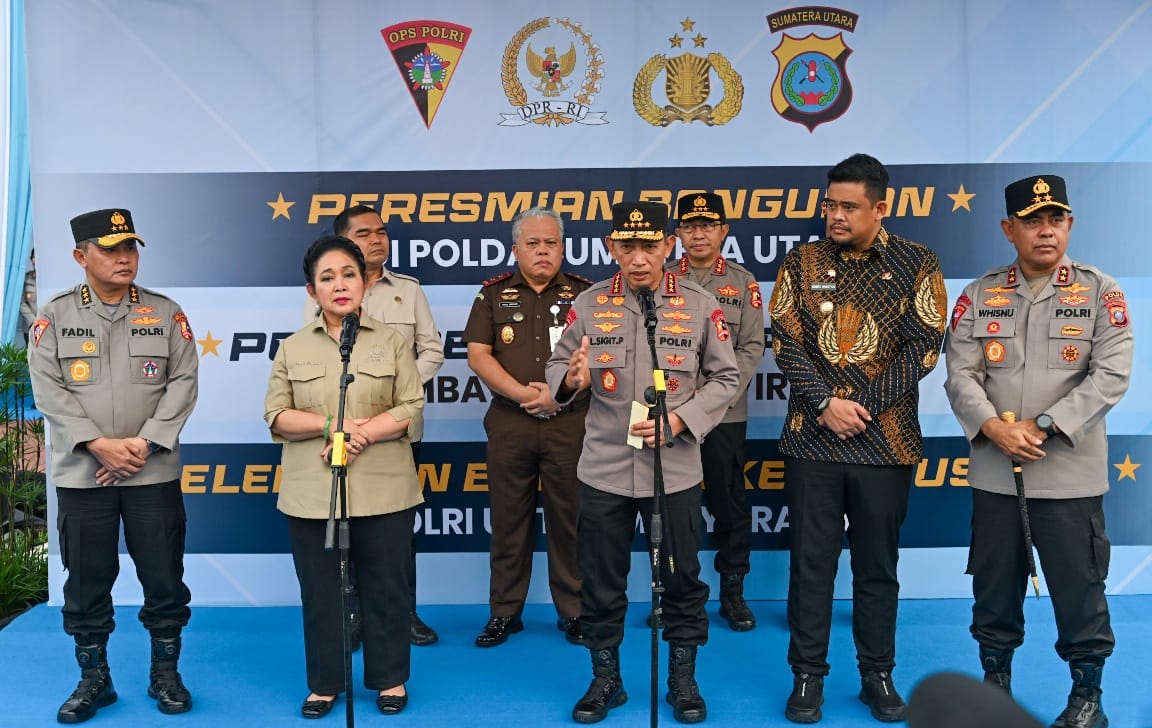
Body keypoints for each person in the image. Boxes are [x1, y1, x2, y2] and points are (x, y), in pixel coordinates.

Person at [944, 175, 1131, 728]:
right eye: (1032, 221)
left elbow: (1111, 375)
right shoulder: (980, 294)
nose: (1045, 231)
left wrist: (1045, 425)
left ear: (1069, 224)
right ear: (1009, 229)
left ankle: (1087, 699)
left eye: (1055, 220)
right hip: (996, 473)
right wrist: (992, 427)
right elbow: (960, 375)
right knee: (993, 592)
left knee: (1080, 592)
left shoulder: (1100, 292)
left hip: (1069, 475)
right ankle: (995, 689)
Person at [769, 154, 947, 724]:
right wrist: (826, 403)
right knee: (811, 566)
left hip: (885, 443)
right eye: (830, 205)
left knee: (877, 568)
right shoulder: (801, 262)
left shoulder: (917, 262)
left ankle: (877, 674)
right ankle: (807, 676)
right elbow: (784, 340)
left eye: (848, 206)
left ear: (880, 208)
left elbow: (924, 344)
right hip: (812, 442)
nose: (835, 216)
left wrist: (859, 407)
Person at [547, 201, 739, 724]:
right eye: (626, 247)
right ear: (611, 247)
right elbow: (559, 364)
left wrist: (679, 420)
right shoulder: (588, 303)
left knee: (682, 579)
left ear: (667, 246)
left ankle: (682, 679)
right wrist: (569, 381)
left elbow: (726, 377)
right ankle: (605, 679)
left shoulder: (700, 305)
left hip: (673, 470)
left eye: (649, 247)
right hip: (604, 469)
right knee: (600, 580)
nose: (638, 258)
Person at [28, 208, 198, 722]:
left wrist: (142, 445)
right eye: (110, 249)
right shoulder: (55, 316)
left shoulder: (166, 312)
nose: (124, 258)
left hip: (152, 471)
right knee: (86, 581)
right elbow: (48, 390)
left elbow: (183, 382)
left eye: (129, 247)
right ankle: (94, 679)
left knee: (164, 577)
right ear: (81, 256)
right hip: (84, 475)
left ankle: (165, 673)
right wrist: (98, 444)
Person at [267, 236, 424, 717]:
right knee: (321, 594)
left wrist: (362, 433)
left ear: (365, 283)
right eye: (327, 278)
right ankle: (325, 683)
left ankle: (390, 678)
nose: (340, 285)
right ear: (312, 291)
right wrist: (330, 425)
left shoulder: (392, 342)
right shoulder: (293, 347)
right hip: (313, 493)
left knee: (387, 589)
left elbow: (411, 406)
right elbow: (277, 416)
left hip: (384, 487)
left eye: (349, 275)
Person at [304, 205, 446, 647]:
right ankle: (352, 614)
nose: (377, 239)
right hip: (344, 431)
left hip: (398, 431)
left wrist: (396, 393)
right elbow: (314, 354)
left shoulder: (408, 290)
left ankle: (403, 614)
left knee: (395, 532)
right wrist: (347, 420)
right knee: (346, 524)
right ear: (343, 242)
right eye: (365, 233)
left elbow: (433, 350)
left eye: (381, 232)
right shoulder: (325, 292)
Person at [462, 206, 592, 647]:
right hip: (510, 423)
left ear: (563, 248)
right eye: (532, 243)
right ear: (515, 249)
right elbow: (478, 355)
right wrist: (524, 395)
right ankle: (504, 612)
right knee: (508, 521)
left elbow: (597, 356)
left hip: (570, 423)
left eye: (550, 243)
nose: (542, 251)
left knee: (570, 520)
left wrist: (557, 396)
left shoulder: (585, 296)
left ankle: (574, 611)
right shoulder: (492, 295)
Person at [668, 192, 765, 632]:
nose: (698, 234)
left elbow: (751, 347)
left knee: (730, 504)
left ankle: (733, 593)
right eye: (690, 226)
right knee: (673, 507)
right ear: (677, 234)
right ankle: (675, 592)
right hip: (671, 414)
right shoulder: (662, 278)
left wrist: (712, 398)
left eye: (707, 225)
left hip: (725, 414)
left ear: (723, 230)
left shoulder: (743, 283)